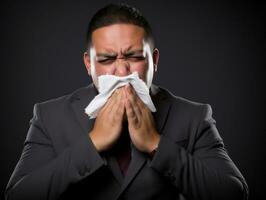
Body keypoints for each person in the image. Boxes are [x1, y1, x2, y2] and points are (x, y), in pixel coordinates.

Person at [5, 3, 248, 200]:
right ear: (89, 64)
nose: (122, 72)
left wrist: (155, 143)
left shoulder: (193, 116)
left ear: (154, 60)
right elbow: (17, 195)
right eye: (107, 58)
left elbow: (234, 193)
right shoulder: (50, 116)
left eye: (133, 56)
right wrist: (93, 143)